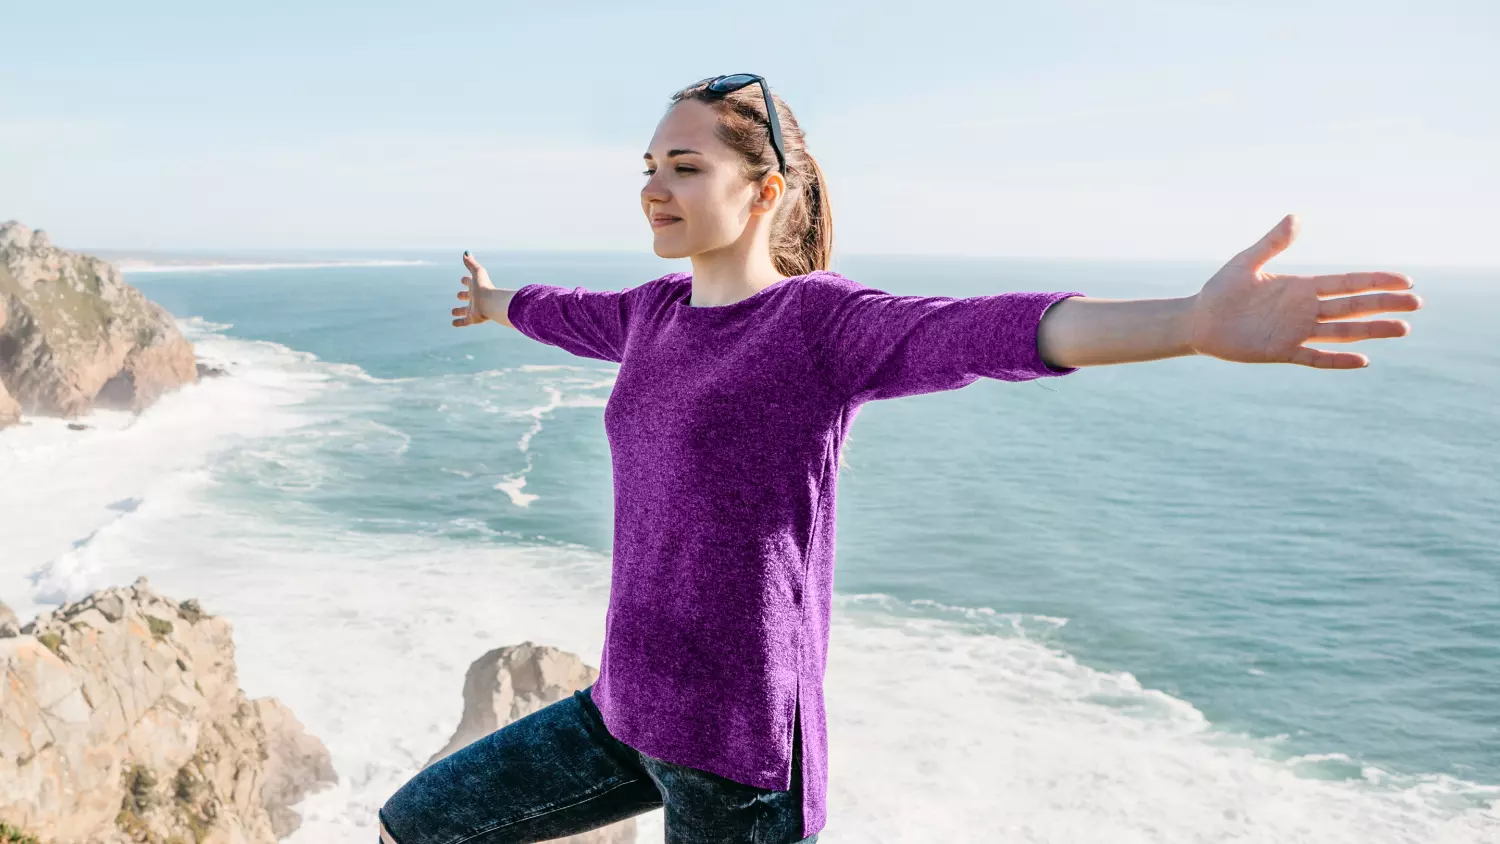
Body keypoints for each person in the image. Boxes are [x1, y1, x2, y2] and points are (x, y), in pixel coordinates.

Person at [378, 73, 1423, 844]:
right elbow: (560, 310)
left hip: (739, 754)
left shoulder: (817, 325)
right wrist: (498, 303)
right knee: (412, 825)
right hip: (624, 708)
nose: (655, 187)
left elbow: (988, 330)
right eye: (648, 168)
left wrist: (1190, 321)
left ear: (767, 189)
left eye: (685, 167)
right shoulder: (651, 315)